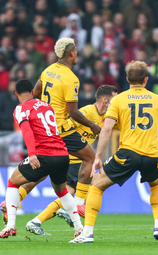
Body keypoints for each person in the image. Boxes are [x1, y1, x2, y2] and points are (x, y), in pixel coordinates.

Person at [69, 61, 158, 243]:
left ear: (127, 79)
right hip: (153, 154)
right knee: (156, 185)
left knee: (96, 185)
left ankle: (87, 233)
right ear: (146, 80)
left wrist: (98, 157)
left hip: (128, 153)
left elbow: (107, 128)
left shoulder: (118, 100)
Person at [4, 85, 117, 235]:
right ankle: (76, 208)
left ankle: (33, 218)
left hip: (56, 153)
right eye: (115, 99)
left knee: (58, 187)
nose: (117, 103)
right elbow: (65, 127)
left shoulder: (106, 116)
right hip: (67, 155)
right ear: (105, 100)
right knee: (67, 189)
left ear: (17, 93)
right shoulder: (87, 112)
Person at [0, 79, 83, 238]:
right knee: (62, 191)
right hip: (62, 154)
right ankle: (79, 228)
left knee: (13, 181)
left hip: (43, 154)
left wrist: (31, 154)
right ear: (32, 91)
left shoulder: (20, 108)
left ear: (16, 94)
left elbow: (26, 131)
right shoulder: (46, 105)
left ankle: (11, 225)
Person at [33, 37, 101, 211]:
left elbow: (36, 92)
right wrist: (93, 126)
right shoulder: (71, 78)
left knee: (42, 167)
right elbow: (73, 112)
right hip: (61, 128)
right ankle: (79, 203)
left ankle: (13, 198)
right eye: (76, 50)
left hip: (45, 126)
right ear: (71, 53)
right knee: (90, 158)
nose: (77, 53)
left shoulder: (48, 70)